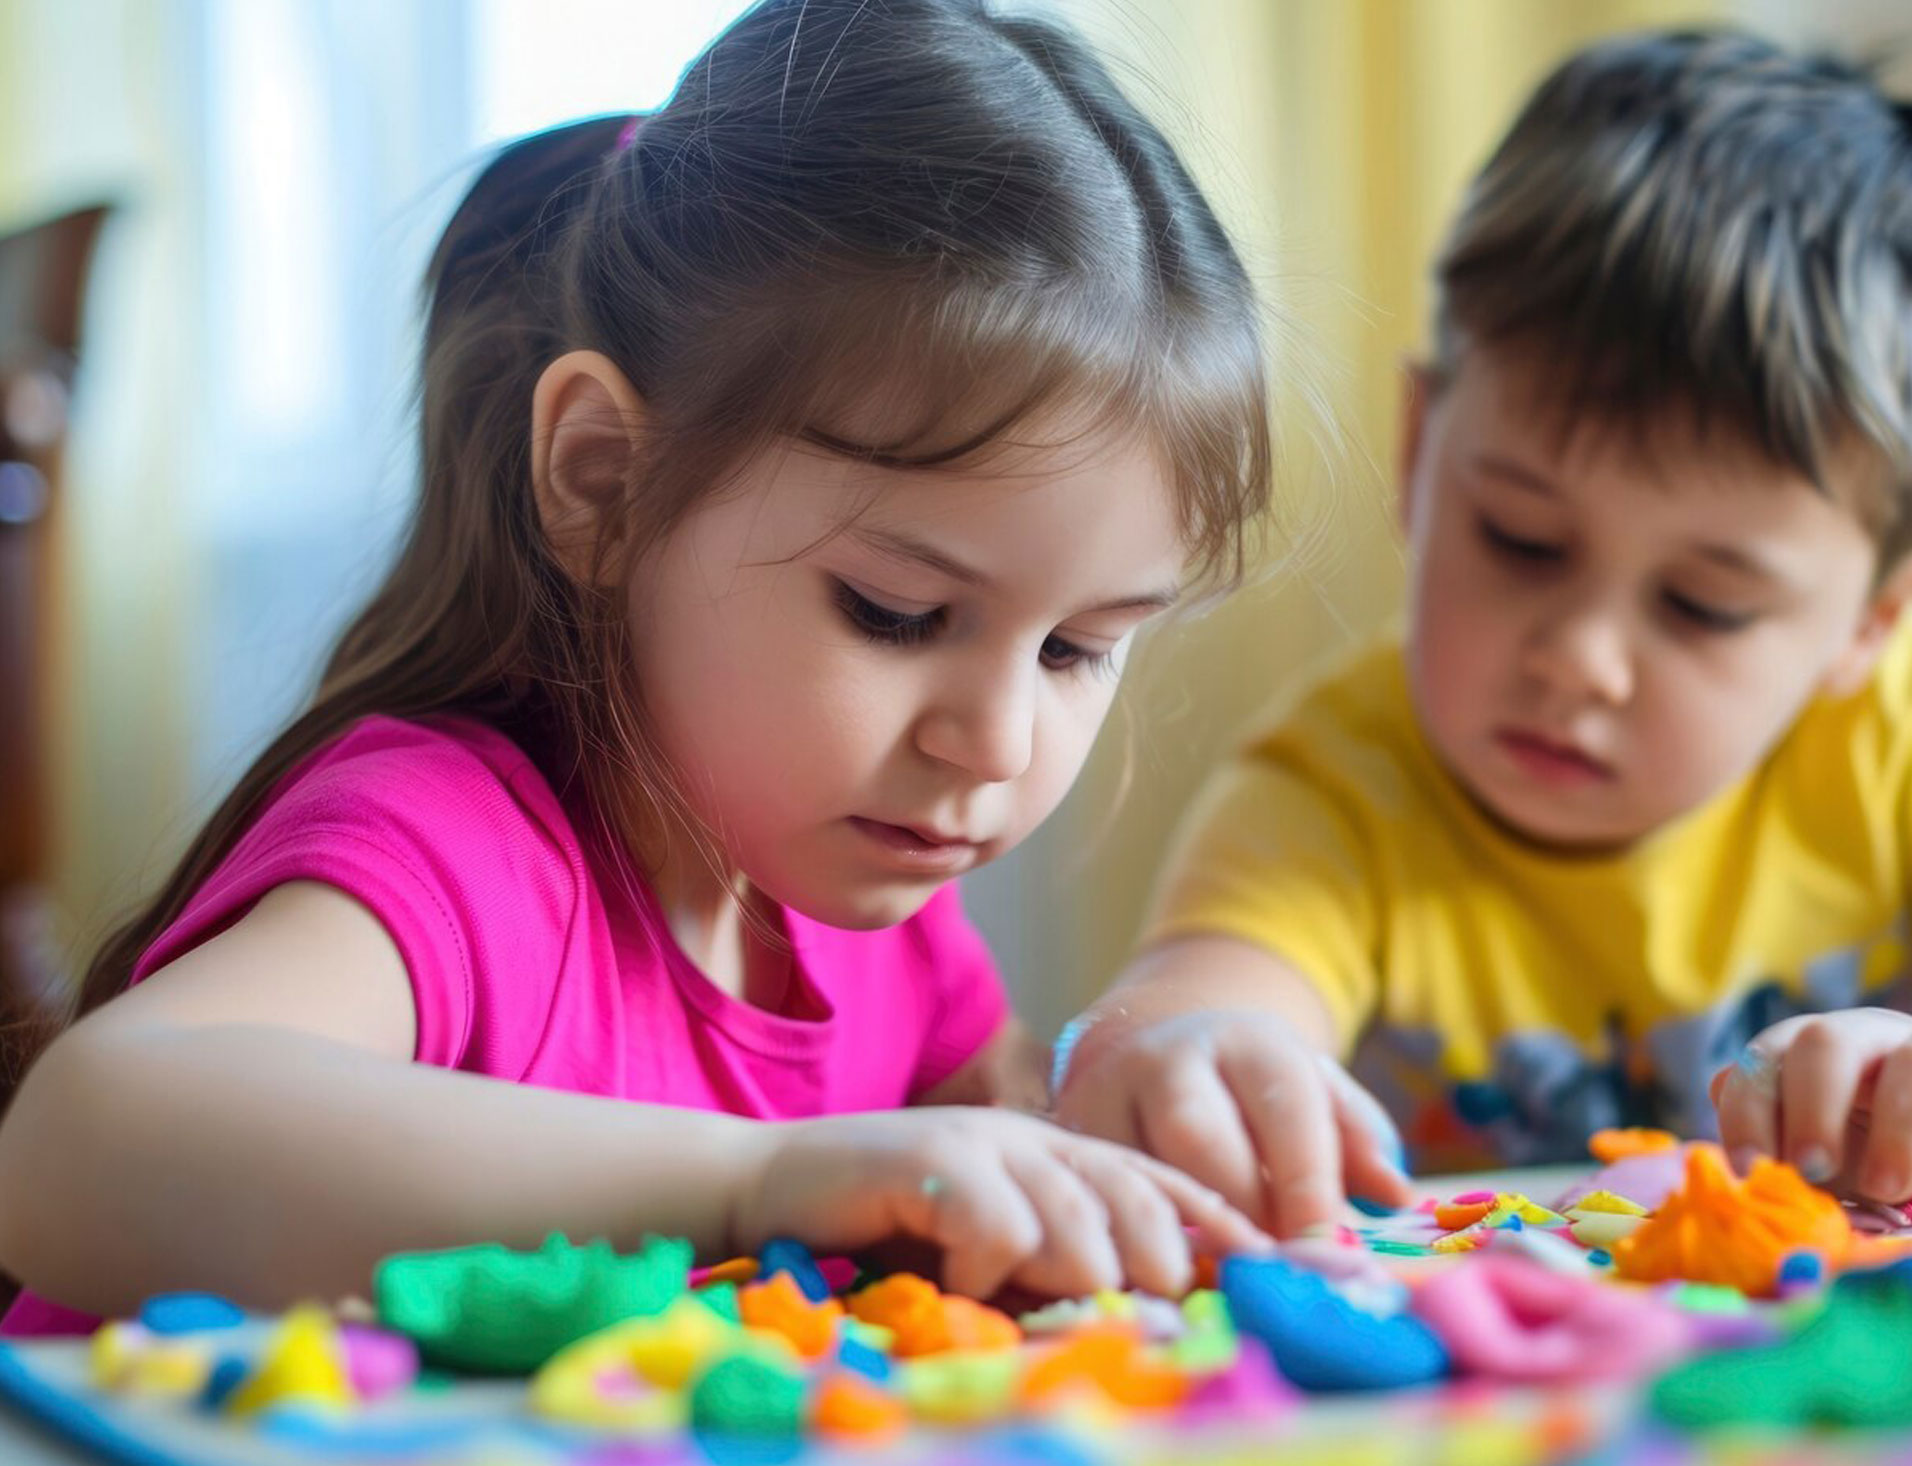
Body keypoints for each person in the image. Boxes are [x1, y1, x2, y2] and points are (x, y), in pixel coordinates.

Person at [0, 0, 1277, 1331]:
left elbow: (1015, 1186)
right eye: (899, 612)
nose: (1000, 743)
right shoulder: (454, 850)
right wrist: (758, 1179)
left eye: (1079, 647)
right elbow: (72, 1150)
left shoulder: (889, 941)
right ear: (606, 479)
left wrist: (1145, 1086)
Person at [1054, 29, 1912, 1236]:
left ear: (1871, 620)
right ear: (1417, 453)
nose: (1578, 658)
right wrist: (1186, 1057)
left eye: (1703, 606)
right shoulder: (1331, 794)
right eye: (1521, 538)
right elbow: (1164, 1038)